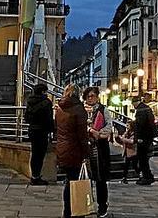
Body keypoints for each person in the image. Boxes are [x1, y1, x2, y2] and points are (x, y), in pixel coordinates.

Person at [54, 84, 89, 218]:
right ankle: (75, 211)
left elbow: (57, 128)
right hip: (75, 150)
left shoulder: (60, 108)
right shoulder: (78, 110)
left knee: (69, 180)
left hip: (62, 148)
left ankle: (67, 211)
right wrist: (86, 154)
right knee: (75, 182)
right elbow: (82, 136)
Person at [84, 86, 112, 218]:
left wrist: (98, 133)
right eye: (88, 96)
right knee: (85, 178)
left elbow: (109, 126)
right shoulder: (82, 110)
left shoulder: (103, 110)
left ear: (97, 97)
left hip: (100, 148)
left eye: (92, 96)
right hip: (85, 148)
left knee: (101, 179)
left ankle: (102, 206)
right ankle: (84, 205)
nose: (90, 99)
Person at [25, 84, 55, 186]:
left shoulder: (30, 101)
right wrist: (52, 131)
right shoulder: (46, 103)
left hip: (32, 130)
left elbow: (26, 117)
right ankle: (37, 177)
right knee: (40, 155)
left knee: (34, 153)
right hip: (42, 131)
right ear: (43, 92)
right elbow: (49, 119)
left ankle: (34, 176)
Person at [134, 96, 157, 185]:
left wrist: (138, 138)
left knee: (142, 158)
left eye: (133, 104)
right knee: (144, 158)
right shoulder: (147, 108)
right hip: (148, 137)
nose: (133, 106)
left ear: (136, 102)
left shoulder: (140, 110)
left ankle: (147, 177)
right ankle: (148, 176)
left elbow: (140, 125)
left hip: (143, 138)